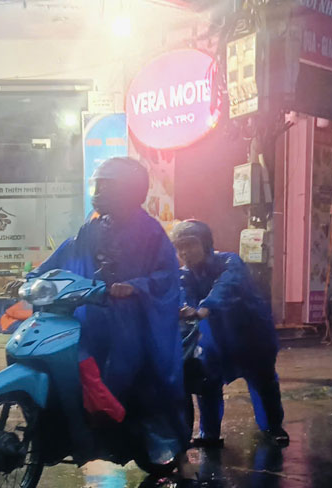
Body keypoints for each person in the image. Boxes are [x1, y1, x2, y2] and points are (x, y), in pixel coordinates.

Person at [24, 157, 186, 464]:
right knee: (72, 371)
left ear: (129, 190)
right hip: (92, 316)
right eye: (98, 185)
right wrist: (33, 278)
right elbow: (64, 255)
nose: (99, 192)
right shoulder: (93, 227)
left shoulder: (150, 232)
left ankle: (175, 455)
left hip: (133, 324)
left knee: (145, 379)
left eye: (107, 186)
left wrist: (135, 285)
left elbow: (167, 277)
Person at [171, 220, 289, 447]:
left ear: (206, 243)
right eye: (180, 246)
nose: (185, 252)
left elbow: (228, 284)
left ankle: (273, 427)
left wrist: (206, 306)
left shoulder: (229, 261)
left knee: (262, 382)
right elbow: (181, 295)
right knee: (207, 383)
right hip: (217, 339)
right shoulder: (184, 274)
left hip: (251, 335)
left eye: (191, 244)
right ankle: (209, 435)